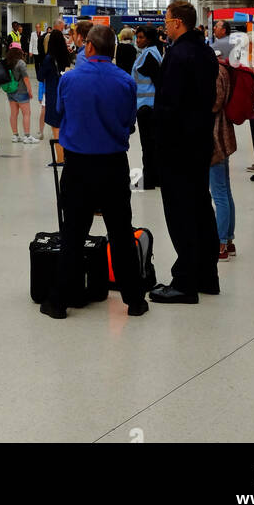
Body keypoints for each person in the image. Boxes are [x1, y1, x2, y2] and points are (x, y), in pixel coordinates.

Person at [40, 24, 147, 321]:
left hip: (78, 166)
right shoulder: (126, 81)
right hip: (113, 164)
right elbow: (128, 122)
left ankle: (59, 302)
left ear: (88, 47)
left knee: (73, 233)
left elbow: (60, 114)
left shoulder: (70, 80)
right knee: (121, 232)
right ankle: (135, 301)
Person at [150, 2, 220, 304]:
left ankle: (184, 282)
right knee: (201, 207)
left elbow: (171, 105)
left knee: (180, 213)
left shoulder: (178, 55)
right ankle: (207, 275)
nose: (164, 25)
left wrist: (157, 141)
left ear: (178, 23)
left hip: (178, 146)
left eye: (167, 21)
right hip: (200, 142)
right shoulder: (205, 52)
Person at [210, 58, 237, 261]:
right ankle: (228, 240)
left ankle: (220, 243)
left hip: (214, 139)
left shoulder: (215, 73)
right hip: (224, 134)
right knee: (225, 191)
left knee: (219, 193)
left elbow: (214, 103)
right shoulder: (224, 70)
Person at [131, 25, 161, 189]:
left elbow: (158, 81)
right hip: (147, 105)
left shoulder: (149, 55)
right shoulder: (149, 53)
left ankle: (149, 180)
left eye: (141, 37)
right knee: (152, 144)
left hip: (147, 107)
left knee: (148, 145)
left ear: (149, 39)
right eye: (137, 37)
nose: (138, 40)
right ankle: (154, 177)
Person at [41, 28, 71, 166]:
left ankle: (60, 158)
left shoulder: (48, 59)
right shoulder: (66, 56)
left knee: (56, 127)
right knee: (65, 125)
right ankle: (67, 155)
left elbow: (41, 76)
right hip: (65, 92)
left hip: (53, 93)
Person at [5, 42, 38, 143]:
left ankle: (15, 135)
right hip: (22, 91)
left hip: (10, 91)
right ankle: (27, 136)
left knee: (13, 114)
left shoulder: (7, 62)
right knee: (26, 114)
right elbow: (26, 79)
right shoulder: (21, 63)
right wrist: (30, 90)